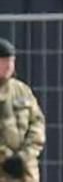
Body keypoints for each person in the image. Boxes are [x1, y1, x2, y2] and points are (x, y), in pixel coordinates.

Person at [0, 39, 45, 182]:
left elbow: (37, 123)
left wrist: (24, 156)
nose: (9, 66)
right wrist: (5, 157)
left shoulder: (22, 90)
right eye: (4, 61)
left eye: (11, 61)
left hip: (25, 171)